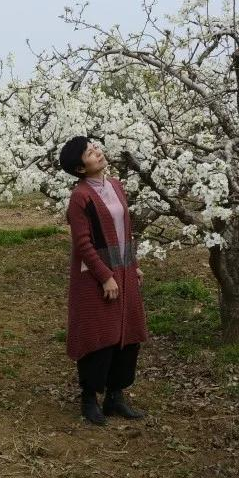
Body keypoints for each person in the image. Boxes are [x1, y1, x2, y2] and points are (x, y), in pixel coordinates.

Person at [59, 136, 148, 426]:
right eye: (89, 152)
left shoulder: (116, 186)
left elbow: (126, 232)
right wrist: (106, 276)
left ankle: (115, 396)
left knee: (127, 336)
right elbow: (82, 244)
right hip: (97, 277)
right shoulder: (80, 196)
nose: (97, 152)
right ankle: (89, 398)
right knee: (99, 338)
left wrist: (132, 266)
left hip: (124, 271)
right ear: (80, 168)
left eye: (95, 147)